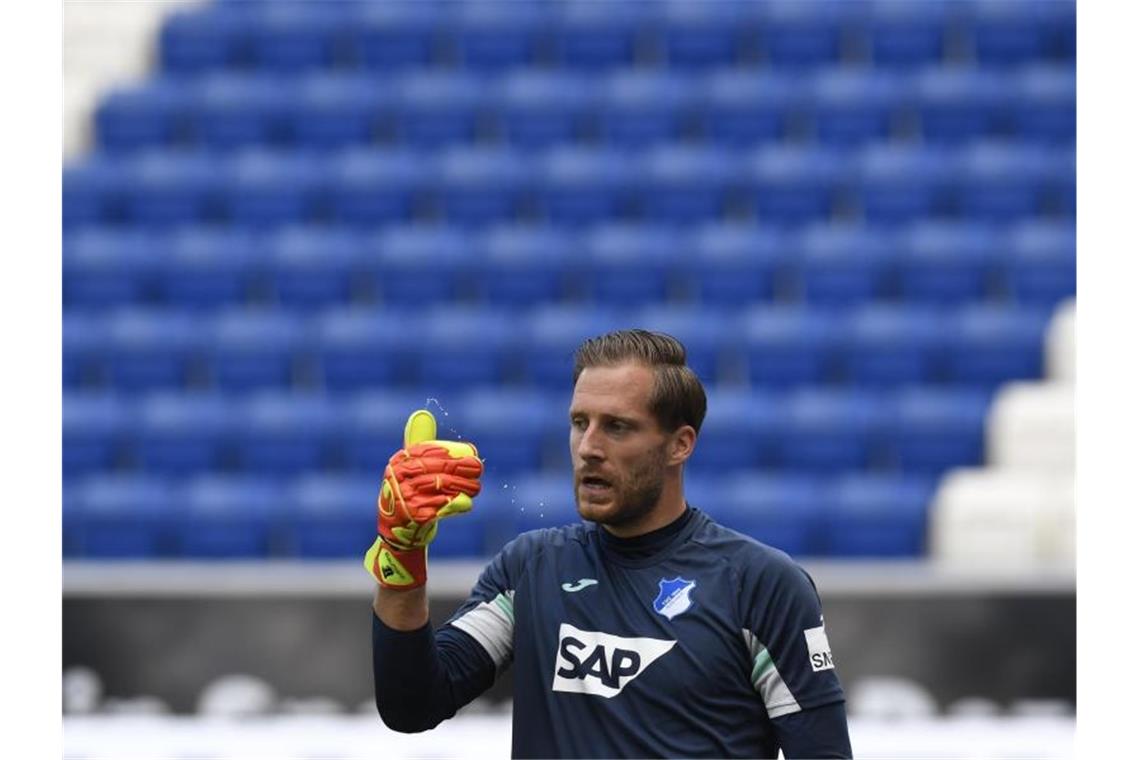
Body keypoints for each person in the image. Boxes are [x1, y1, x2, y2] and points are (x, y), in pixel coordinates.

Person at [366, 329, 852, 758]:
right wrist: (401, 560)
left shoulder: (760, 584)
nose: (588, 448)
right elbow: (412, 706)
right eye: (580, 423)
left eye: (617, 426)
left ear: (680, 444)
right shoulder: (532, 568)